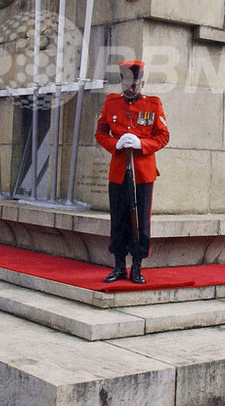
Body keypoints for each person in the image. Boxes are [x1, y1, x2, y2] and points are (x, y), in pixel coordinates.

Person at [95, 60, 170, 285]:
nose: (130, 89)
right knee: (118, 219)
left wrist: (141, 144)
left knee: (140, 221)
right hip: (118, 171)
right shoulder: (111, 103)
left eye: (135, 85)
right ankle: (119, 266)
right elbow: (100, 132)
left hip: (142, 173)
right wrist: (115, 144)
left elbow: (163, 136)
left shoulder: (153, 105)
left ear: (142, 83)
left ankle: (137, 266)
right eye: (127, 84)